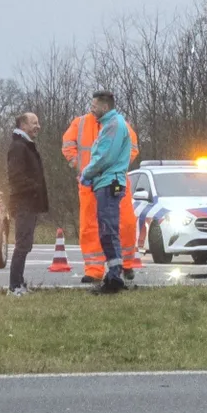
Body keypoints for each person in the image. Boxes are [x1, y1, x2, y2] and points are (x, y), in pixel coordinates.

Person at [62, 108, 140, 283]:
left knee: (126, 223)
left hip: (115, 180)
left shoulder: (120, 124)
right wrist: (80, 167)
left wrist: (117, 166)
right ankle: (94, 269)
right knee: (90, 225)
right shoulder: (80, 123)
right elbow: (67, 144)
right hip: (90, 182)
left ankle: (127, 263)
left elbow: (133, 148)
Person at [79, 91, 132, 294]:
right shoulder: (111, 124)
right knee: (107, 229)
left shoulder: (113, 125)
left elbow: (105, 158)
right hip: (106, 182)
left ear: (105, 106)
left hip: (109, 183)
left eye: (95, 105)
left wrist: (88, 172)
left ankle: (114, 276)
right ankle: (114, 275)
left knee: (108, 229)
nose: (92, 108)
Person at [6, 112, 49, 296]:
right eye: (34, 123)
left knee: (26, 244)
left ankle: (20, 283)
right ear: (23, 125)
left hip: (29, 203)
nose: (38, 126)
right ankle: (13, 287)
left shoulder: (26, 146)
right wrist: (34, 188)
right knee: (22, 244)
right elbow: (15, 177)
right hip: (23, 202)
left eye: (38, 122)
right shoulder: (18, 147)